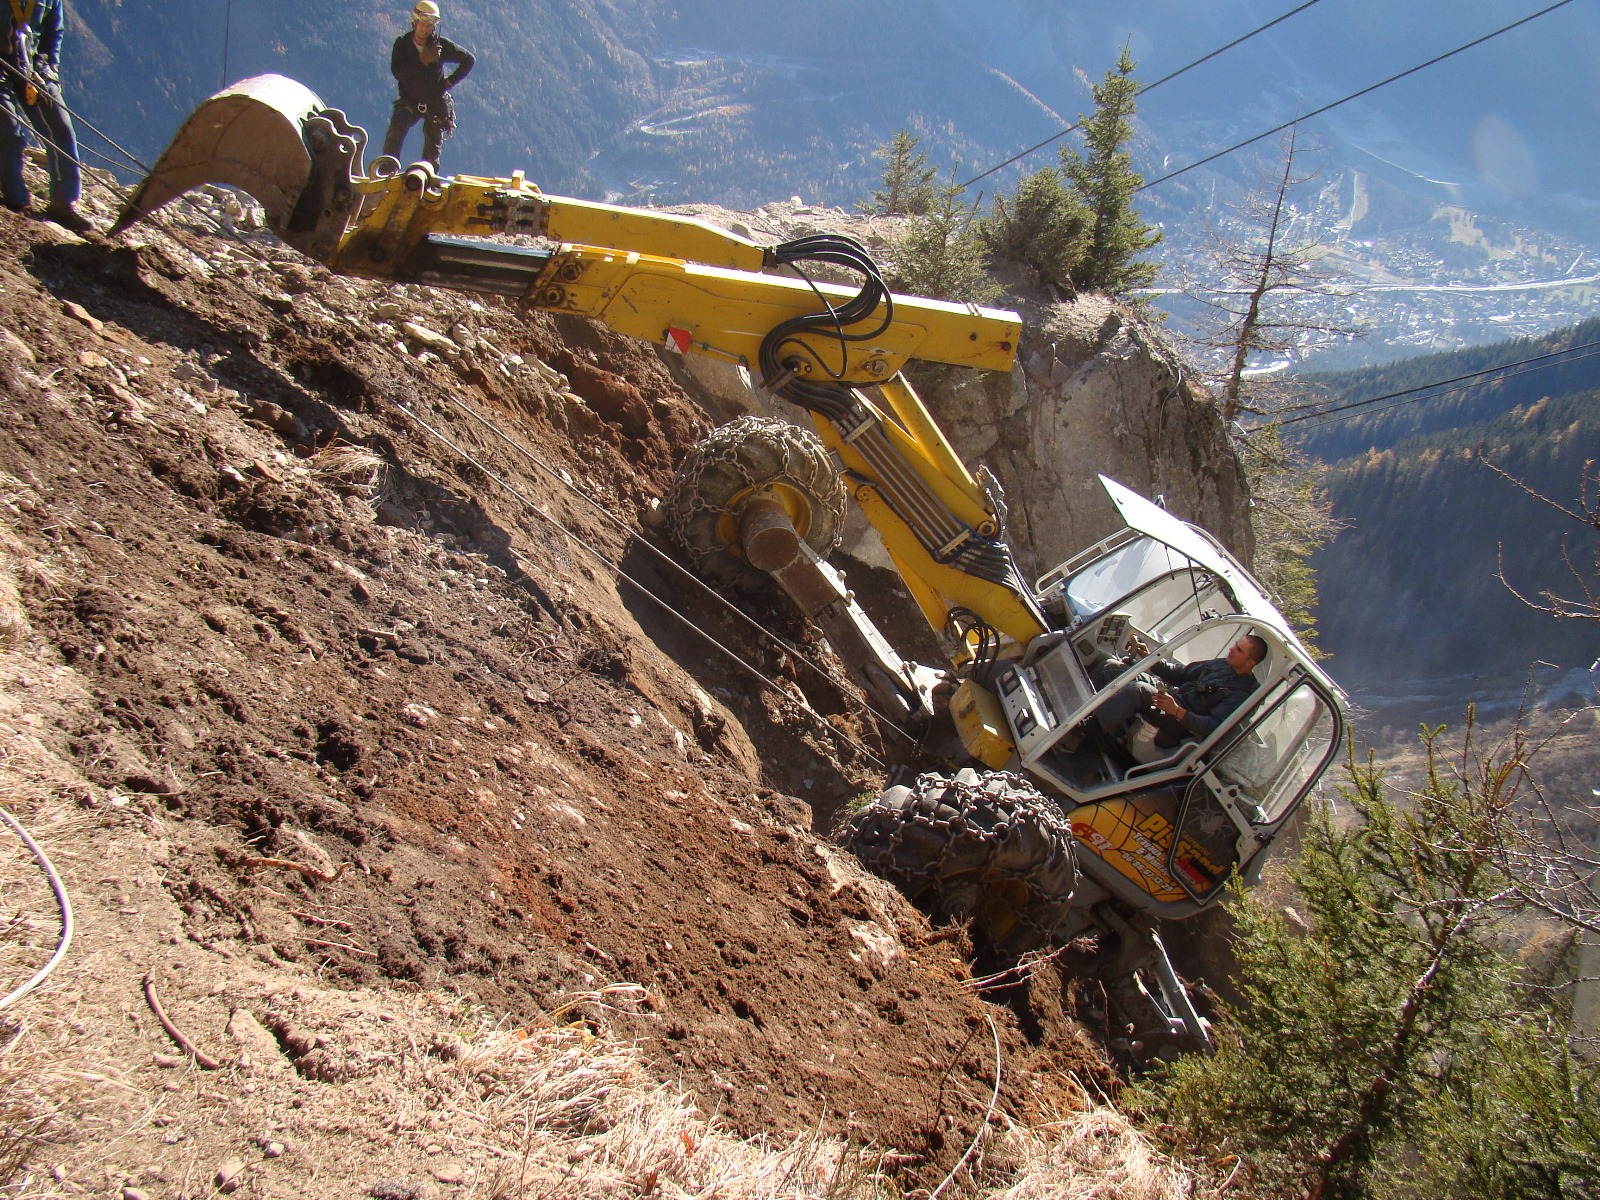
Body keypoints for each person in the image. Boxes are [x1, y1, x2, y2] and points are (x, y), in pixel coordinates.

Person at [0, 0, 91, 232]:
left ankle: (63, 203)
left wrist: (48, 65)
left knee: (61, 127)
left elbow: (53, 31)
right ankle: (15, 200)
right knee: (9, 133)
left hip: (31, 66)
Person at [1091, 632, 1267, 751]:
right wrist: (1151, 657)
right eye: (1235, 645)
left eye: (1239, 650)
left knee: (1138, 691)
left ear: (1250, 662)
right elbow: (1181, 674)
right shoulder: (1223, 665)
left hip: (1182, 724)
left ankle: (1084, 731)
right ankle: (1083, 710)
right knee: (1114, 667)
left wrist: (1176, 711)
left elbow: (1212, 727)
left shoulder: (1241, 695)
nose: (1231, 650)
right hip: (1172, 699)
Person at [380, 0, 474, 172]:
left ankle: (426, 182)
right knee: (394, 137)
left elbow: (468, 60)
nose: (425, 29)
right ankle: (386, 175)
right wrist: (422, 61)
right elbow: (398, 73)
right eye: (422, 24)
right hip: (409, 101)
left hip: (435, 103)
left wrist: (449, 82)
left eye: (429, 25)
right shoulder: (402, 44)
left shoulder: (440, 46)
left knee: (432, 154)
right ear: (415, 22)